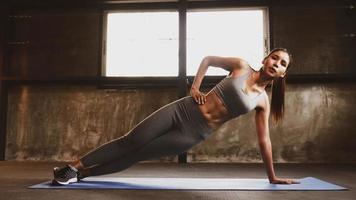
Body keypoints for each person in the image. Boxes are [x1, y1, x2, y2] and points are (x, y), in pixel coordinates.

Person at [52, 48, 299, 185]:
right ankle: (72, 167)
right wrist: (195, 87)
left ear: (282, 74)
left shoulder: (263, 101)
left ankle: (81, 175)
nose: (276, 63)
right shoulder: (241, 66)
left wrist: (272, 177)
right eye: (274, 58)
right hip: (183, 109)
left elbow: (264, 141)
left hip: (193, 133)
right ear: (266, 58)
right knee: (131, 141)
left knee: (138, 154)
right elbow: (208, 59)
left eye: (282, 63)